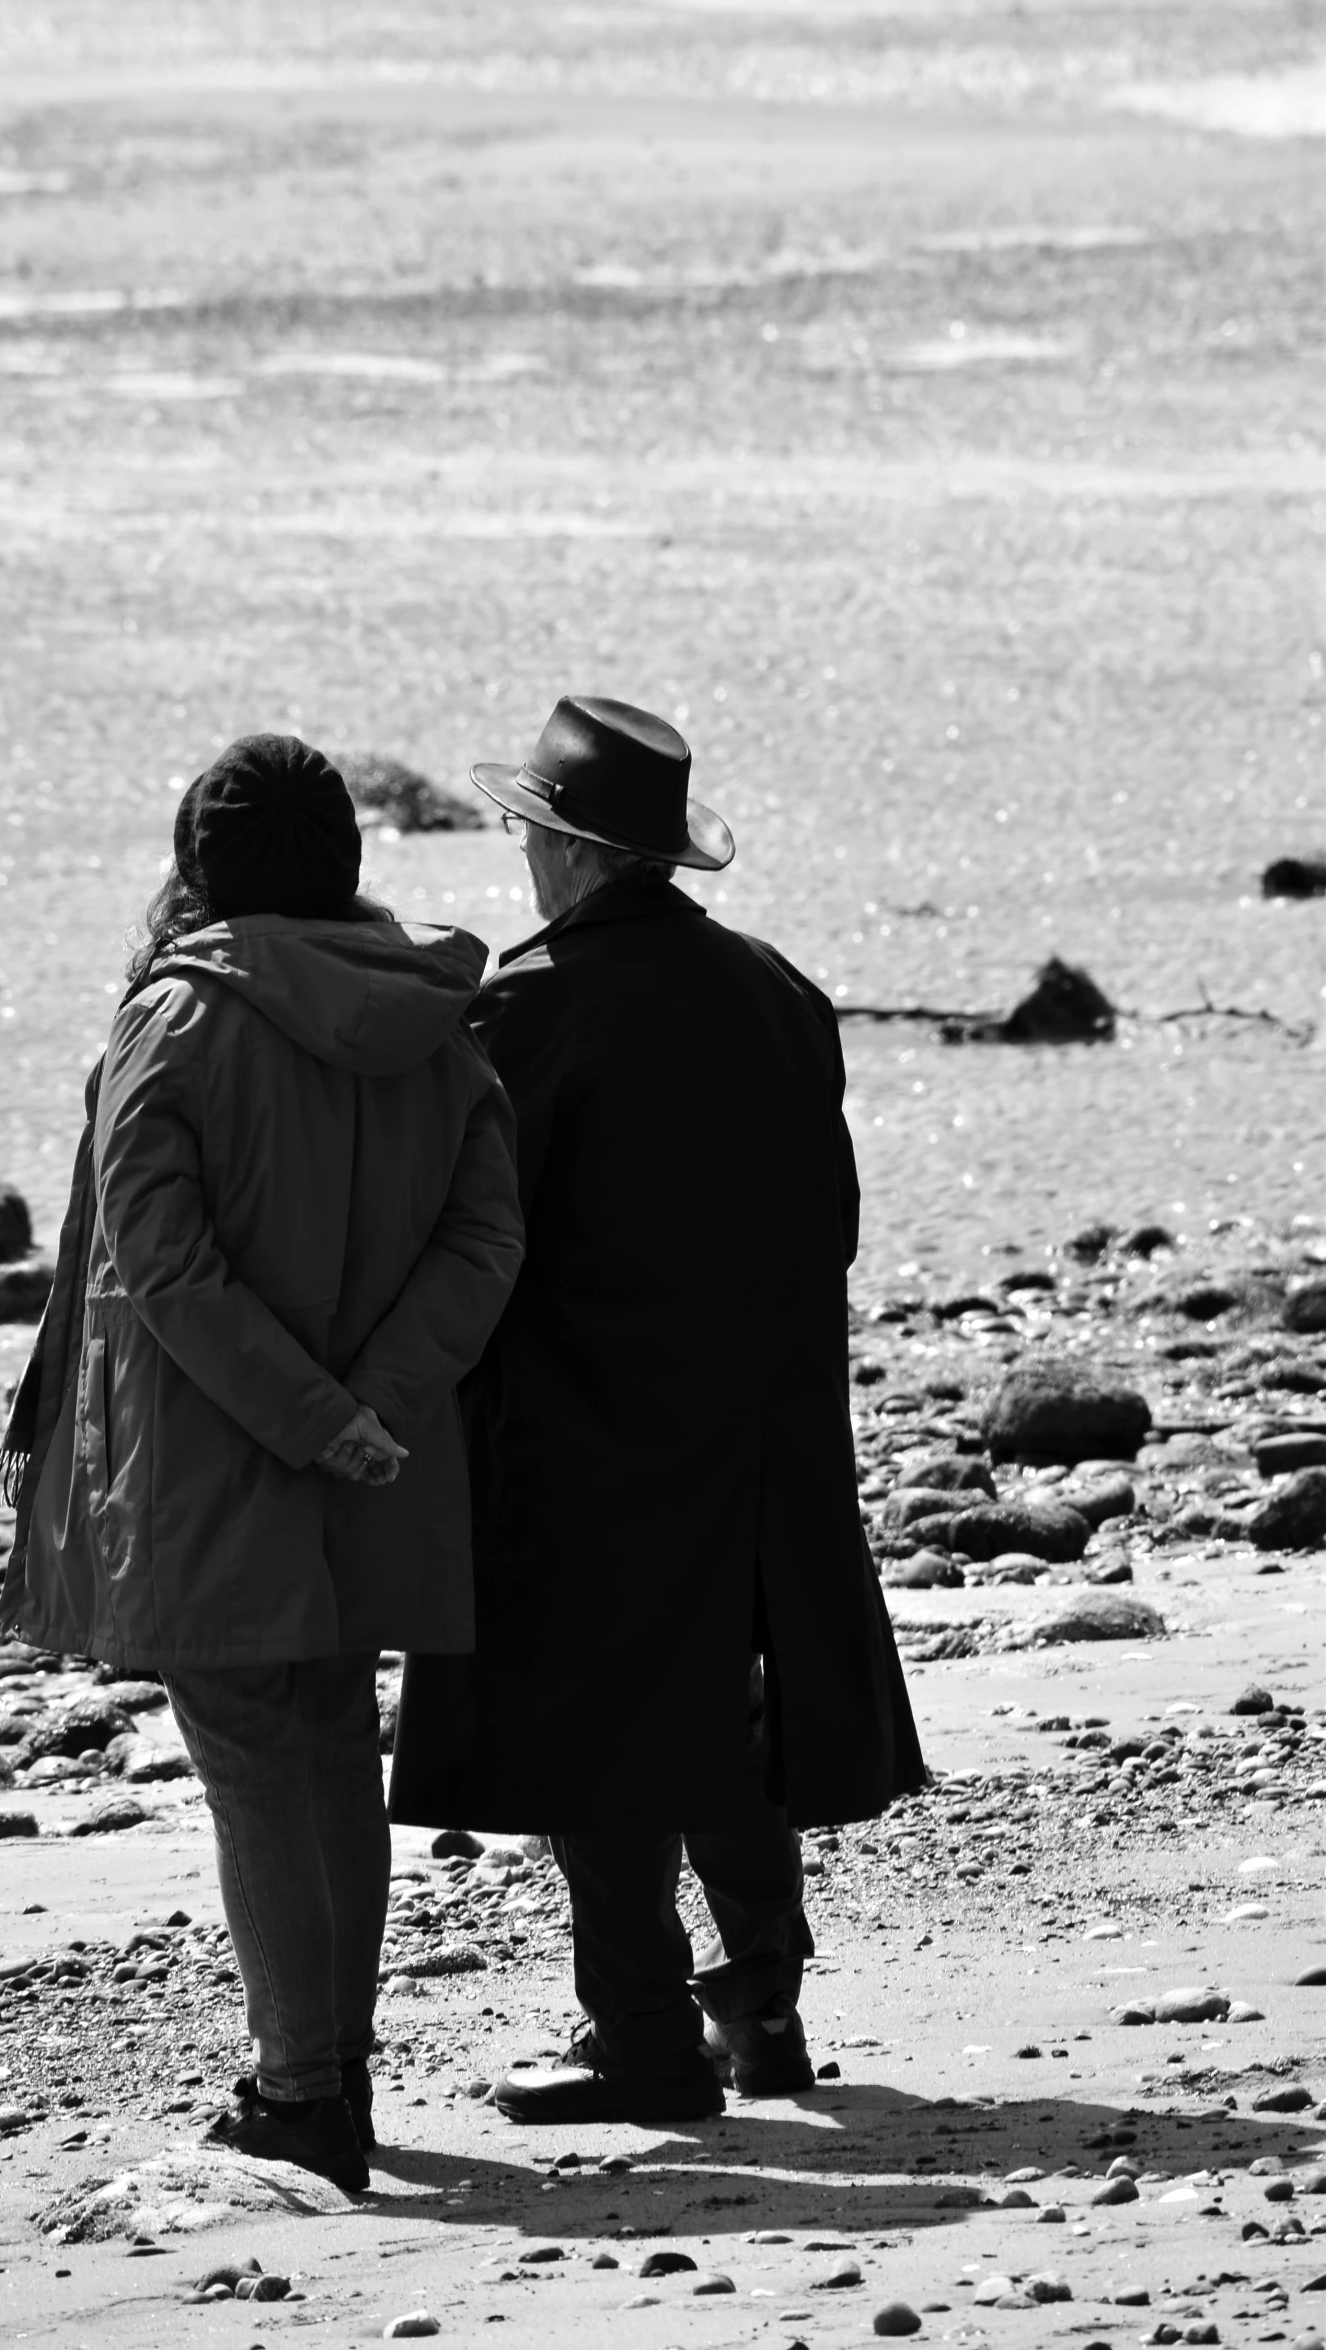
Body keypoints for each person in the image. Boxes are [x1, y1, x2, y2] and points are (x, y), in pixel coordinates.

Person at [0, 734, 524, 2189]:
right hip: (372, 1454)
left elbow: (156, 1262)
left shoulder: (176, 1018)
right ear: (347, 862)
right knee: (331, 1751)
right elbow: (487, 1236)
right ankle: (330, 2073)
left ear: (194, 867)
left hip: (218, 1461)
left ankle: (305, 2091)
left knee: (257, 1762)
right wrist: (372, 1404)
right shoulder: (434, 1017)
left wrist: (315, 1413)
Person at [389, 694, 925, 2123]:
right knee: (731, 1712)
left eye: (524, 828)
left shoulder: (531, 1004)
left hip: (589, 1419)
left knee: (596, 1720)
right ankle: (762, 2005)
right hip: (765, 1420)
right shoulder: (781, 991)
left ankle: (640, 2035)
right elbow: (834, 1223)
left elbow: (479, 1235)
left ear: (566, 851)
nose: (516, 850)